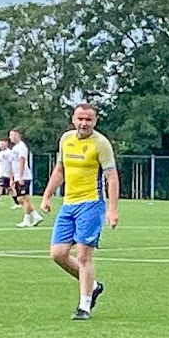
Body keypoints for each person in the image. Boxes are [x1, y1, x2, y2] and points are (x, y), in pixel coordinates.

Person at [41, 103, 119, 320]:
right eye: (80, 119)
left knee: (83, 256)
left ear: (95, 121)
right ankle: (92, 286)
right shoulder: (66, 139)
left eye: (88, 120)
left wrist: (112, 209)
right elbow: (60, 170)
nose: (84, 123)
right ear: (73, 119)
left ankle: (84, 306)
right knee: (57, 254)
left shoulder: (101, 144)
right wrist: (47, 196)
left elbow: (111, 177)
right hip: (68, 204)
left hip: (91, 204)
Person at [10, 130, 43, 228]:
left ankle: (27, 220)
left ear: (17, 135)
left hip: (23, 176)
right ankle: (36, 216)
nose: (10, 137)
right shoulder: (15, 148)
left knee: (23, 199)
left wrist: (20, 176)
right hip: (18, 176)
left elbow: (22, 161)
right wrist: (12, 178)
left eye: (11, 135)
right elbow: (13, 163)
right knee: (21, 199)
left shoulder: (21, 147)